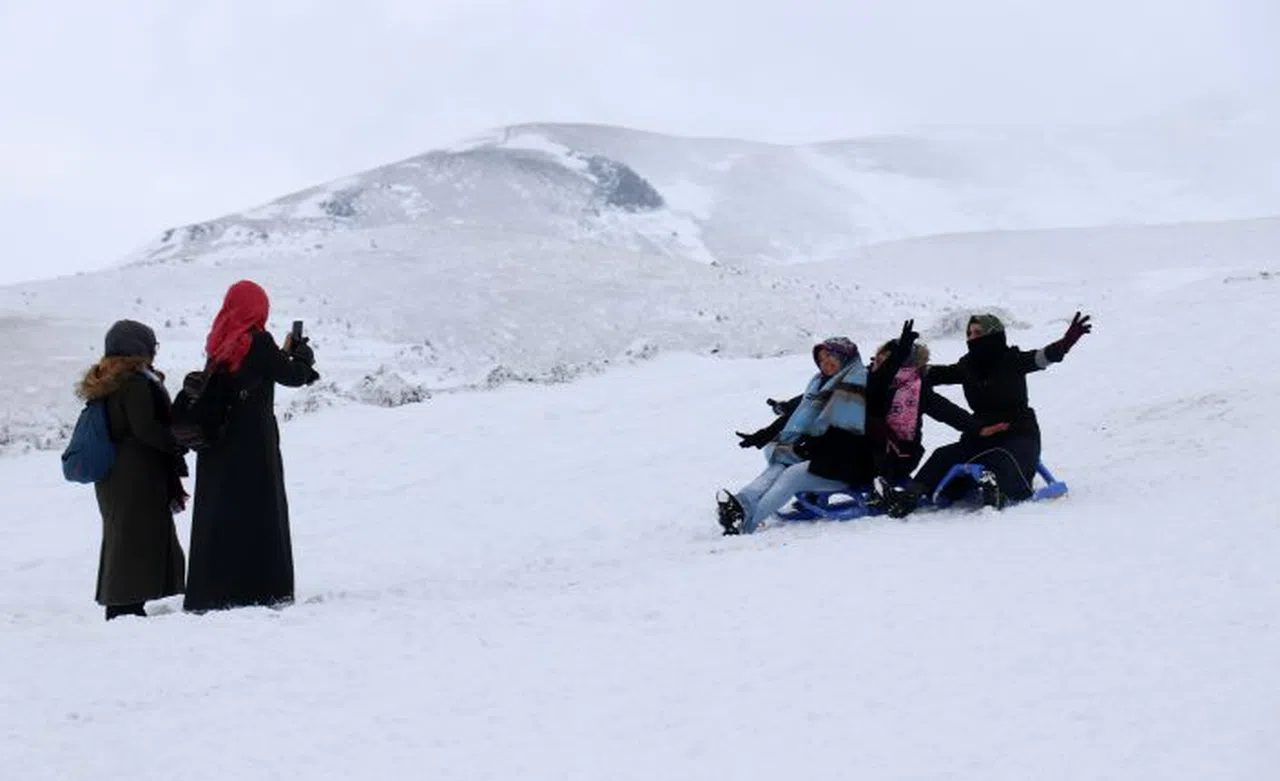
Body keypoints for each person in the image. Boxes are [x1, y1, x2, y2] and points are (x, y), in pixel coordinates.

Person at [183, 280, 320, 613]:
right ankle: (260, 587)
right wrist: (302, 356)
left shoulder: (218, 344)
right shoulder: (257, 342)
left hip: (218, 447)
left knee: (220, 515)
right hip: (252, 446)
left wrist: (282, 354)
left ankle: (212, 591)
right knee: (257, 513)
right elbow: (294, 375)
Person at [885, 311, 1092, 517]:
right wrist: (897, 363)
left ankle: (998, 489)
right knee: (943, 455)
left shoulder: (1012, 359)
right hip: (981, 432)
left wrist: (1066, 342)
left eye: (977, 332)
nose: (971, 338)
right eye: (969, 333)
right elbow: (932, 374)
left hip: (1017, 431)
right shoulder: (967, 366)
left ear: (993, 334)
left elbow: (1042, 357)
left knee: (1003, 458)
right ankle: (912, 494)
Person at [76, 319, 188, 620]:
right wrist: (177, 441)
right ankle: (124, 608)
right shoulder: (135, 383)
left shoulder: (109, 380)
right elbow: (145, 428)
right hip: (137, 475)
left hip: (116, 477)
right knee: (136, 541)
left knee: (123, 538)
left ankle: (124, 605)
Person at [719, 336, 870, 535]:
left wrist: (808, 447)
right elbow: (797, 412)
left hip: (846, 465)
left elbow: (844, 435)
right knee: (777, 468)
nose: (825, 363)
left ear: (845, 359)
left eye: (831, 358)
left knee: (792, 474)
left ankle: (747, 522)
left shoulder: (854, 386)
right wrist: (764, 435)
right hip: (821, 458)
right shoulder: (820, 384)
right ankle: (739, 504)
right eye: (822, 359)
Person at [865, 332, 977, 485]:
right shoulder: (865, 378)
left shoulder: (916, 389)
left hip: (900, 455)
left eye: (889, 355)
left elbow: (947, 411)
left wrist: (977, 427)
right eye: (882, 352)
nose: (881, 357)